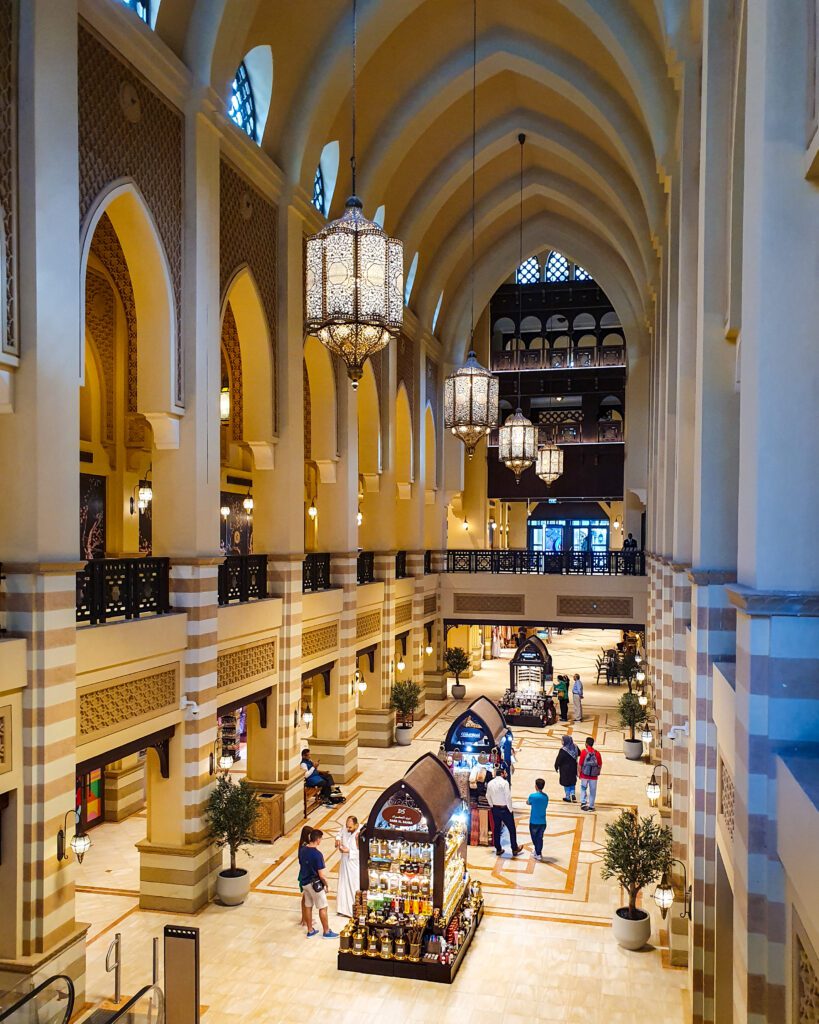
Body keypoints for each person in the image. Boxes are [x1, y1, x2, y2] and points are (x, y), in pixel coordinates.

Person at [297, 829, 338, 938]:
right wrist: (326, 884)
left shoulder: (302, 850)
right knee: (323, 907)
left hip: (304, 882)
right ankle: (326, 931)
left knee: (308, 906)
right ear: (318, 839)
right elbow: (321, 874)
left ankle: (310, 930)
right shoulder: (317, 854)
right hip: (315, 885)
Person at [485, 767, 523, 857]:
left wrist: (492, 805)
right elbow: (508, 797)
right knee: (511, 829)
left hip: (495, 809)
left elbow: (487, 796)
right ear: (502, 774)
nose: (506, 774)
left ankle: (498, 849)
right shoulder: (505, 783)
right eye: (505, 773)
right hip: (505, 809)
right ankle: (514, 848)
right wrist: (510, 809)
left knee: (496, 829)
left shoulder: (490, 783)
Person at [335, 815, 360, 917]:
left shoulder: (360, 833)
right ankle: (342, 909)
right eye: (347, 826)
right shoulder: (345, 828)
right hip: (344, 862)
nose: (348, 829)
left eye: (350, 827)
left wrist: (349, 851)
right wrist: (337, 839)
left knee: (353, 885)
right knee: (343, 884)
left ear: (356, 825)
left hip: (354, 864)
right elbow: (339, 832)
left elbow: (363, 852)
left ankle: (352, 910)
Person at [526, 778, 549, 861]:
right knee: (540, 837)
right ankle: (537, 851)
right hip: (542, 821)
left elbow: (528, 802)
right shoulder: (546, 797)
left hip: (534, 821)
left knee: (534, 837)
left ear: (536, 786)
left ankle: (538, 852)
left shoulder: (532, 796)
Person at [578, 737, 602, 811]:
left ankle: (583, 803)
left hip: (584, 775)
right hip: (594, 776)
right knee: (593, 791)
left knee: (583, 789)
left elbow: (580, 764)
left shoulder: (583, 752)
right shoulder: (597, 753)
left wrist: (579, 773)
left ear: (586, 744)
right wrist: (598, 772)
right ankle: (591, 806)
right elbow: (600, 764)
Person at [554, 734, 579, 802]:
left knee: (566, 782)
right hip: (573, 768)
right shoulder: (575, 747)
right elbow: (579, 753)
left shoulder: (563, 750)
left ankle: (568, 797)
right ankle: (573, 793)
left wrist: (556, 766)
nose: (561, 741)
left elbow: (558, 760)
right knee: (572, 781)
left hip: (565, 770)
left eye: (562, 740)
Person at [297, 825, 313, 927]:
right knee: (305, 897)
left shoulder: (303, 844)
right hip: (305, 873)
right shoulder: (305, 846)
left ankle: (306, 918)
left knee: (306, 896)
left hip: (304, 871)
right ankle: (304, 919)